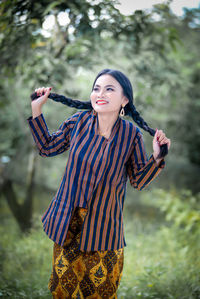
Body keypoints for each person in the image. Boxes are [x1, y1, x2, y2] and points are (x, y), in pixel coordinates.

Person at [27, 68, 171, 298]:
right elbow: (46, 147)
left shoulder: (131, 135)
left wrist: (157, 156)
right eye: (96, 88)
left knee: (101, 293)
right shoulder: (78, 123)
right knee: (64, 292)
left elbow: (138, 181)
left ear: (125, 100)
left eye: (109, 89)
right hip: (68, 225)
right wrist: (37, 109)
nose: (100, 93)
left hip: (104, 230)